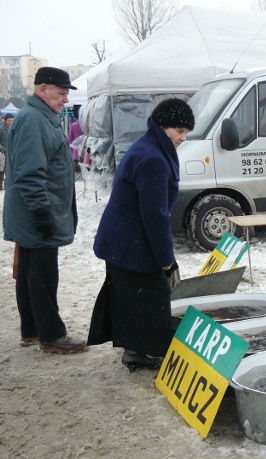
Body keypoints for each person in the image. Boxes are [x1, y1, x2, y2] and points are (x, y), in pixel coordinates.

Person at [88, 98, 195, 372]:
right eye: (179, 131)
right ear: (163, 126)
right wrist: (166, 261)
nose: (183, 138)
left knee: (131, 296)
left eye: (186, 132)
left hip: (122, 239)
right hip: (131, 240)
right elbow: (155, 215)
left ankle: (135, 350)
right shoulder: (153, 158)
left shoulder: (149, 146)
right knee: (154, 294)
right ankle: (156, 351)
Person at [2, 67, 86, 353]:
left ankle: (32, 330)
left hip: (35, 213)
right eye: (61, 93)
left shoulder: (40, 117)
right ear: (43, 90)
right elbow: (29, 174)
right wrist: (41, 213)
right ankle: (52, 335)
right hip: (36, 214)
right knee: (42, 276)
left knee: (29, 273)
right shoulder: (34, 120)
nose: (65, 99)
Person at [0, 113, 14, 190]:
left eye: (12, 120)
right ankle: (0, 186)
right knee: (1, 170)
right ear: (5, 121)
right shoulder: (1, 129)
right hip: (2, 153)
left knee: (9, 171)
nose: (11, 122)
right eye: (9, 120)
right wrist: (1, 147)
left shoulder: (15, 129)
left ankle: (7, 186)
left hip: (11, 153)